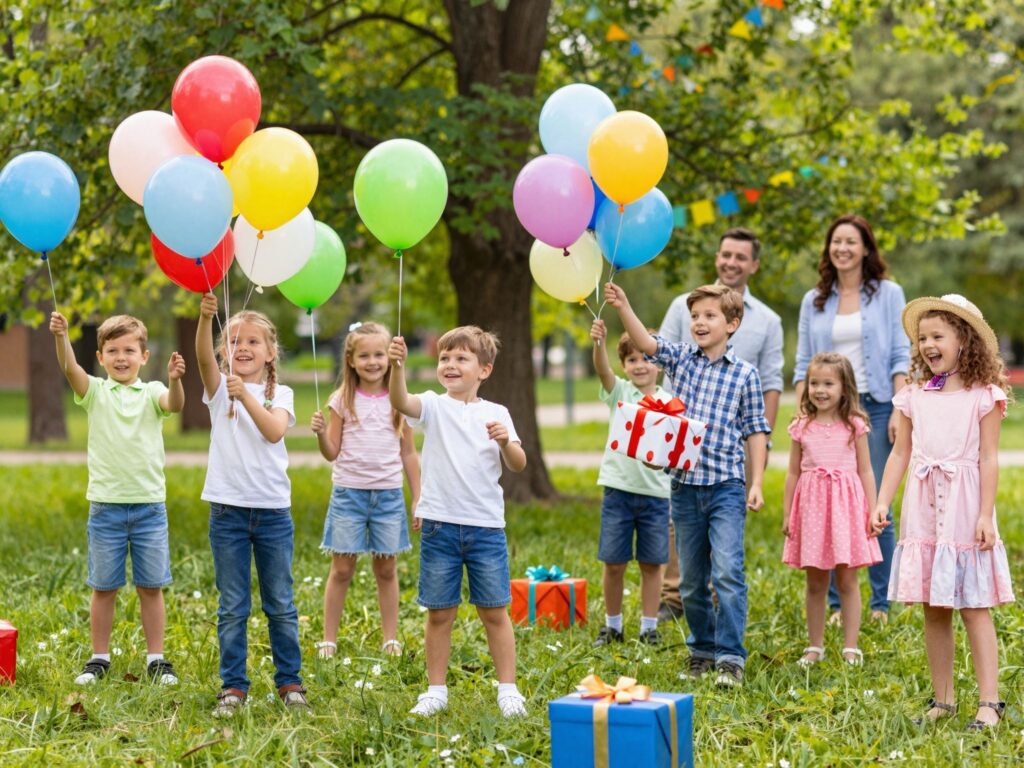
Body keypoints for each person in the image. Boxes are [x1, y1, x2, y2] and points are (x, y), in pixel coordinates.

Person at [605, 282, 770, 688]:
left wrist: (758, 481)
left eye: (709, 316)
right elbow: (646, 342)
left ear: (732, 324)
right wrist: (625, 305)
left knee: (728, 572)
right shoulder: (682, 360)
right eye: (694, 316)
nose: (699, 322)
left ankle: (731, 656)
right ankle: (702, 648)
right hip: (685, 487)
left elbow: (755, 431)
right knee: (693, 579)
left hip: (727, 487)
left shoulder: (745, 375)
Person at [874, 294, 1014, 729]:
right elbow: (900, 454)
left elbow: (988, 458)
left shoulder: (983, 397)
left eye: (938, 335)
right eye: (922, 338)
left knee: (974, 605)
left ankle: (989, 703)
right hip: (923, 508)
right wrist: (882, 500)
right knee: (934, 608)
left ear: (963, 340)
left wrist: (986, 514)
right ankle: (943, 700)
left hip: (965, 508)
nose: (928, 344)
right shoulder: (914, 396)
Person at [388, 326, 528, 718]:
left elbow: (518, 463)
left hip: (485, 528)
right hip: (439, 526)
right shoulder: (433, 405)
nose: (450, 364)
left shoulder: (497, 413)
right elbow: (400, 400)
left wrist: (505, 442)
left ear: (484, 370)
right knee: (439, 611)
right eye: (444, 358)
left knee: (494, 610)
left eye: (460, 358)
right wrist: (397, 367)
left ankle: (508, 689)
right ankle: (436, 690)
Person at [49, 312, 184, 686]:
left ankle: (156, 658)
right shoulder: (94, 391)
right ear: (100, 356)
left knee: (151, 586)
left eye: (129, 350)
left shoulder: (154, 390)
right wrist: (61, 337)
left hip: (149, 507)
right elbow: (69, 368)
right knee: (104, 586)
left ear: (144, 356)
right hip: (106, 507)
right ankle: (99, 657)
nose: (121, 357)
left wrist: (175, 380)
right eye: (113, 350)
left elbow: (174, 404)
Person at [657, 227, 783, 623]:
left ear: (754, 265)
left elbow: (771, 383)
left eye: (740, 256)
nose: (731, 262)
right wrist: (662, 431)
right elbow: (663, 358)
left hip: (732, 442)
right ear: (717, 257)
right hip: (682, 438)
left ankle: (718, 605)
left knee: (725, 535)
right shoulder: (684, 305)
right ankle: (673, 597)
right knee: (682, 523)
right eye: (725, 254)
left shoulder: (768, 320)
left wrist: (758, 452)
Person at [793, 214, 909, 625]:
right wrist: (802, 411)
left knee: (875, 503)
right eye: (836, 242)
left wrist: (898, 407)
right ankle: (839, 606)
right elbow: (803, 362)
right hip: (828, 411)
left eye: (851, 242)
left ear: (865, 249)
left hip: (876, 406)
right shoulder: (815, 301)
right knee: (828, 508)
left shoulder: (889, 294)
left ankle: (879, 602)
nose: (842, 248)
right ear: (829, 250)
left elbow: (900, 353)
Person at [195, 293, 307, 716]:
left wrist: (248, 398)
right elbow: (203, 358)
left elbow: (274, 432)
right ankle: (234, 687)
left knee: (280, 602)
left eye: (252, 342)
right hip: (227, 513)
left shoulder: (283, 394)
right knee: (233, 605)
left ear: (270, 351)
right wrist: (206, 321)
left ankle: (290, 683)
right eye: (234, 341)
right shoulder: (220, 387)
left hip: (273, 513)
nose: (242, 347)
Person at [310, 322, 421, 660]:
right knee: (342, 569)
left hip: (387, 496)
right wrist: (319, 434)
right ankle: (329, 638)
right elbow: (332, 451)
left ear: (390, 357)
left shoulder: (399, 400)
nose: (373, 362)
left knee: (385, 570)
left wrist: (418, 497)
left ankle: (390, 638)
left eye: (379, 354)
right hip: (349, 495)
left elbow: (409, 453)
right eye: (365, 355)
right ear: (351, 360)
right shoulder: (342, 399)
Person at [782, 352, 881, 667]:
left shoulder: (855, 425)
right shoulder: (802, 426)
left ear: (844, 387)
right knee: (815, 582)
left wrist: (873, 509)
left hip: (846, 511)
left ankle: (850, 646)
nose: (820, 390)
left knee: (848, 580)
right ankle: (815, 646)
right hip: (811, 510)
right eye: (814, 383)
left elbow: (866, 470)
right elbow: (793, 473)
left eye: (828, 383)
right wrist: (788, 514)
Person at [589, 319, 672, 647]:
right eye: (632, 360)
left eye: (647, 358)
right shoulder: (620, 392)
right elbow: (602, 370)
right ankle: (613, 626)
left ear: (660, 366)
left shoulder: (669, 402)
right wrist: (599, 344)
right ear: (624, 365)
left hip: (655, 495)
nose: (640, 365)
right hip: (618, 491)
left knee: (653, 564)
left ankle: (648, 627)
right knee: (614, 562)